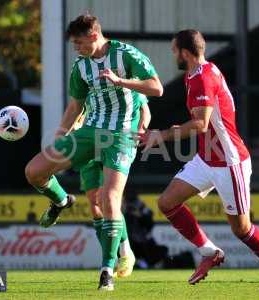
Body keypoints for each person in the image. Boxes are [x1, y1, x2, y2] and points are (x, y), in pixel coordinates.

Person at [139, 29, 259, 291]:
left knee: (242, 229)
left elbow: (200, 124)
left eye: (175, 50)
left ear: (185, 53)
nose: (173, 54)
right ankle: (209, 251)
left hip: (229, 162)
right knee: (167, 202)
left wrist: (162, 135)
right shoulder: (198, 73)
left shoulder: (202, 78)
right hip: (207, 159)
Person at [24, 14, 163, 291]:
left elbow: (156, 88)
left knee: (109, 199)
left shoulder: (126, 55)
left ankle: (107, 270)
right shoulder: (81, 66)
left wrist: (120, 82)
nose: (75, 48)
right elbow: (76, 104)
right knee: (34, 171)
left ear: (93, 35)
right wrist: (61, 133)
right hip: (89, 134)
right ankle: (61, 201)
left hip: (121, 136)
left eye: (78, 42)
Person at [77, 99, 151, 278]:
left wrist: (141, 128)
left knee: (109, 200)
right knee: (95, 207)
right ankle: (115, 255)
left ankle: (121, 255)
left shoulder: (126, 81)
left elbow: (145, 110)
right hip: (88, 146)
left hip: (112, 143)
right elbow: (76, 111)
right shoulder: (87, 82)